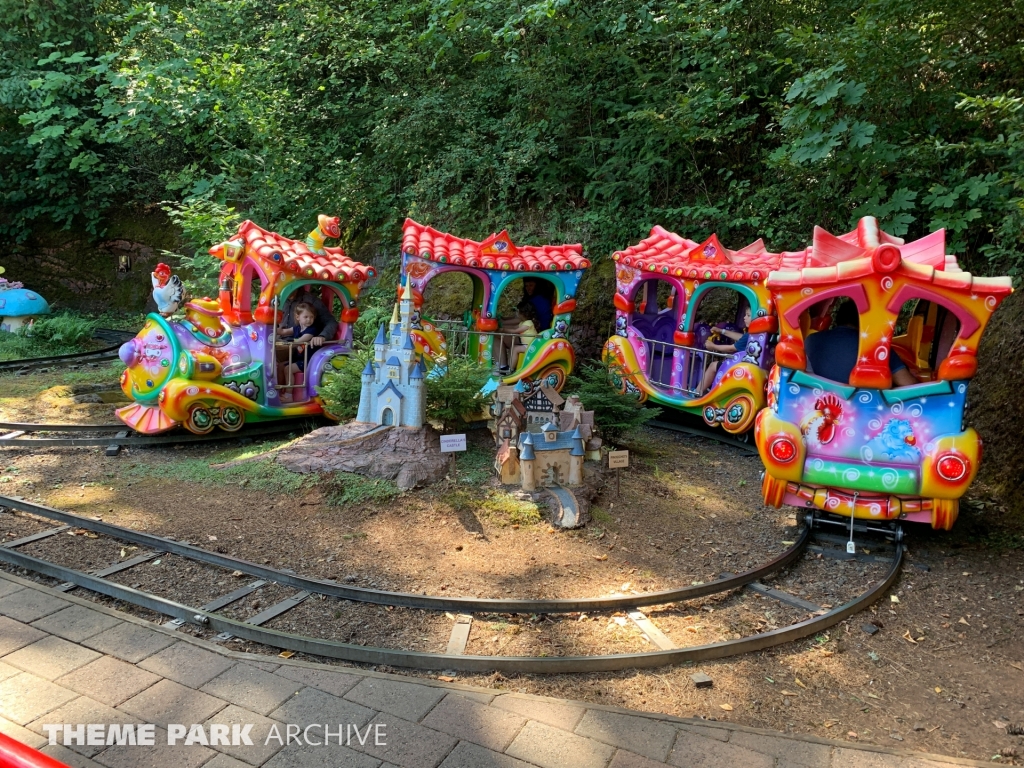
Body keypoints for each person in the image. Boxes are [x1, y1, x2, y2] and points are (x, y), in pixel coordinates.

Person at [805, 299, 917, 387]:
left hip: (816, 403)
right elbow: (908, 383)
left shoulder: (811, 340)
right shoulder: (878, 347)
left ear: (838, 318)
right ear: (867, 321)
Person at [699, 306, 751, 395]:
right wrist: (721, 331)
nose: (744, 317)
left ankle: (696, 392)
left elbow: (731, 348)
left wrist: (713, 346)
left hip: (740, 366)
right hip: (746, 366)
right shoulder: (754, 334)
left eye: (748, 315)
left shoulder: (751, 334)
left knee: (713, 365)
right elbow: (741, 337)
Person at [277, 302, 322, 401]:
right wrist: (275, 324)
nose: (309, 319)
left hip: (308, 361)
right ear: (298, 317)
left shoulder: (312, 330)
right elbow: (283, 332)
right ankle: (279, 390)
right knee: (280, 366)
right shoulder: (297, 328)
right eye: (306, 317)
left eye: (311, 317)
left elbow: (299, 342)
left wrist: (285, 344)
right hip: (299, 359)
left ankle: (289, 395)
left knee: (288, 369)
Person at [499, 303, 538, 373]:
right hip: (526, 345)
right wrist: (503, 328)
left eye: (518, 312)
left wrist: (504, 330)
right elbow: (514, 327)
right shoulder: (522, 323)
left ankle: (510, 369)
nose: (517, 313)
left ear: (523, 314)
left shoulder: (528, 323)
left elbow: (515, 331)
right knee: (513, 347)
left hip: (531, 346)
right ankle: (509, 366)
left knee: (515, 349)